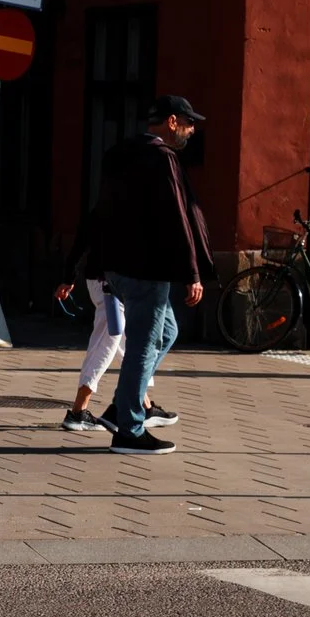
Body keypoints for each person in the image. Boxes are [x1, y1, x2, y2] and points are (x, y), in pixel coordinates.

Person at [70, 95, 214, 455]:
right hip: (147, 269)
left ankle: (123, 406)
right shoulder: (162, 159)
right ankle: (129, 430)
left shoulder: (120, 153)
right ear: (170, 122)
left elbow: (99, 210)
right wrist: (192, 271)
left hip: (117, 267)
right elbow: (177, 216)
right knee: (140, 347)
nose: (192, 129)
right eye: (187, 121)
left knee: (166, 331)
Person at [49, 279, 176, 433]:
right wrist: (69, 278)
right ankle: (78, 411)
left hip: (114, 277)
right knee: (105, 343)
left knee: (125, 343)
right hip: (107, 280)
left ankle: (144, 405)